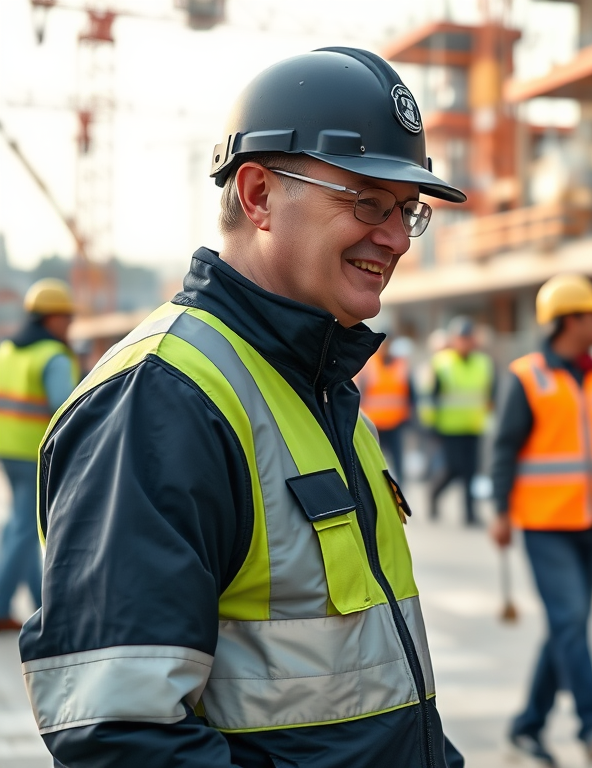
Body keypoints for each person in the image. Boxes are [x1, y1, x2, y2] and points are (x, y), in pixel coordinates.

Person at [19, 48, 467, 768]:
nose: (391, 237)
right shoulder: (163, 400)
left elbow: (367, 694)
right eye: (366, 202)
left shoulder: (318, 385)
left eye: (405, 212)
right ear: (258, 195)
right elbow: (120, 731)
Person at [490, 274, 592, 765]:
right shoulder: (527, 376)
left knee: (565, 628)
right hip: (545, 523)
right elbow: (505, 450)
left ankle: (526, 726)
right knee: (571, 622)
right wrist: (500, 511)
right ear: (568, 320)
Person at [0, 279, 78, 631]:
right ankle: (1, 606)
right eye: (66, 316)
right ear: (52, 318)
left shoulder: (9, 349)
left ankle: (37, 604)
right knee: (23, 529)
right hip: (34, 452)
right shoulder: (54, 356)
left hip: (7, 447)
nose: (70, 323)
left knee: (21, 525)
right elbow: (68, 408)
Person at [425, 316, 494, 525]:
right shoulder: (441, 363)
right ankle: (434, 494)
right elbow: (431, 398)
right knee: (454, 468)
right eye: (461, 338)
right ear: (454, 340)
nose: (465, 342)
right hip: (449, 427)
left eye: (468, 338)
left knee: (471, 471)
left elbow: (490, 395)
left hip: (473, 426)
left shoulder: (484, 363)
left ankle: (470, 514)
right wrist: (431, 425)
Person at [355, 335, 415, 483]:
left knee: (398, 463)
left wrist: (410, 417)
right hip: (374, 425)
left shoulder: (401, 365)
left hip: (396, 422)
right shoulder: (368, 365)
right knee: (376, 464)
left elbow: (411, 394)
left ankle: (400, 492)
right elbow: (358, 394)